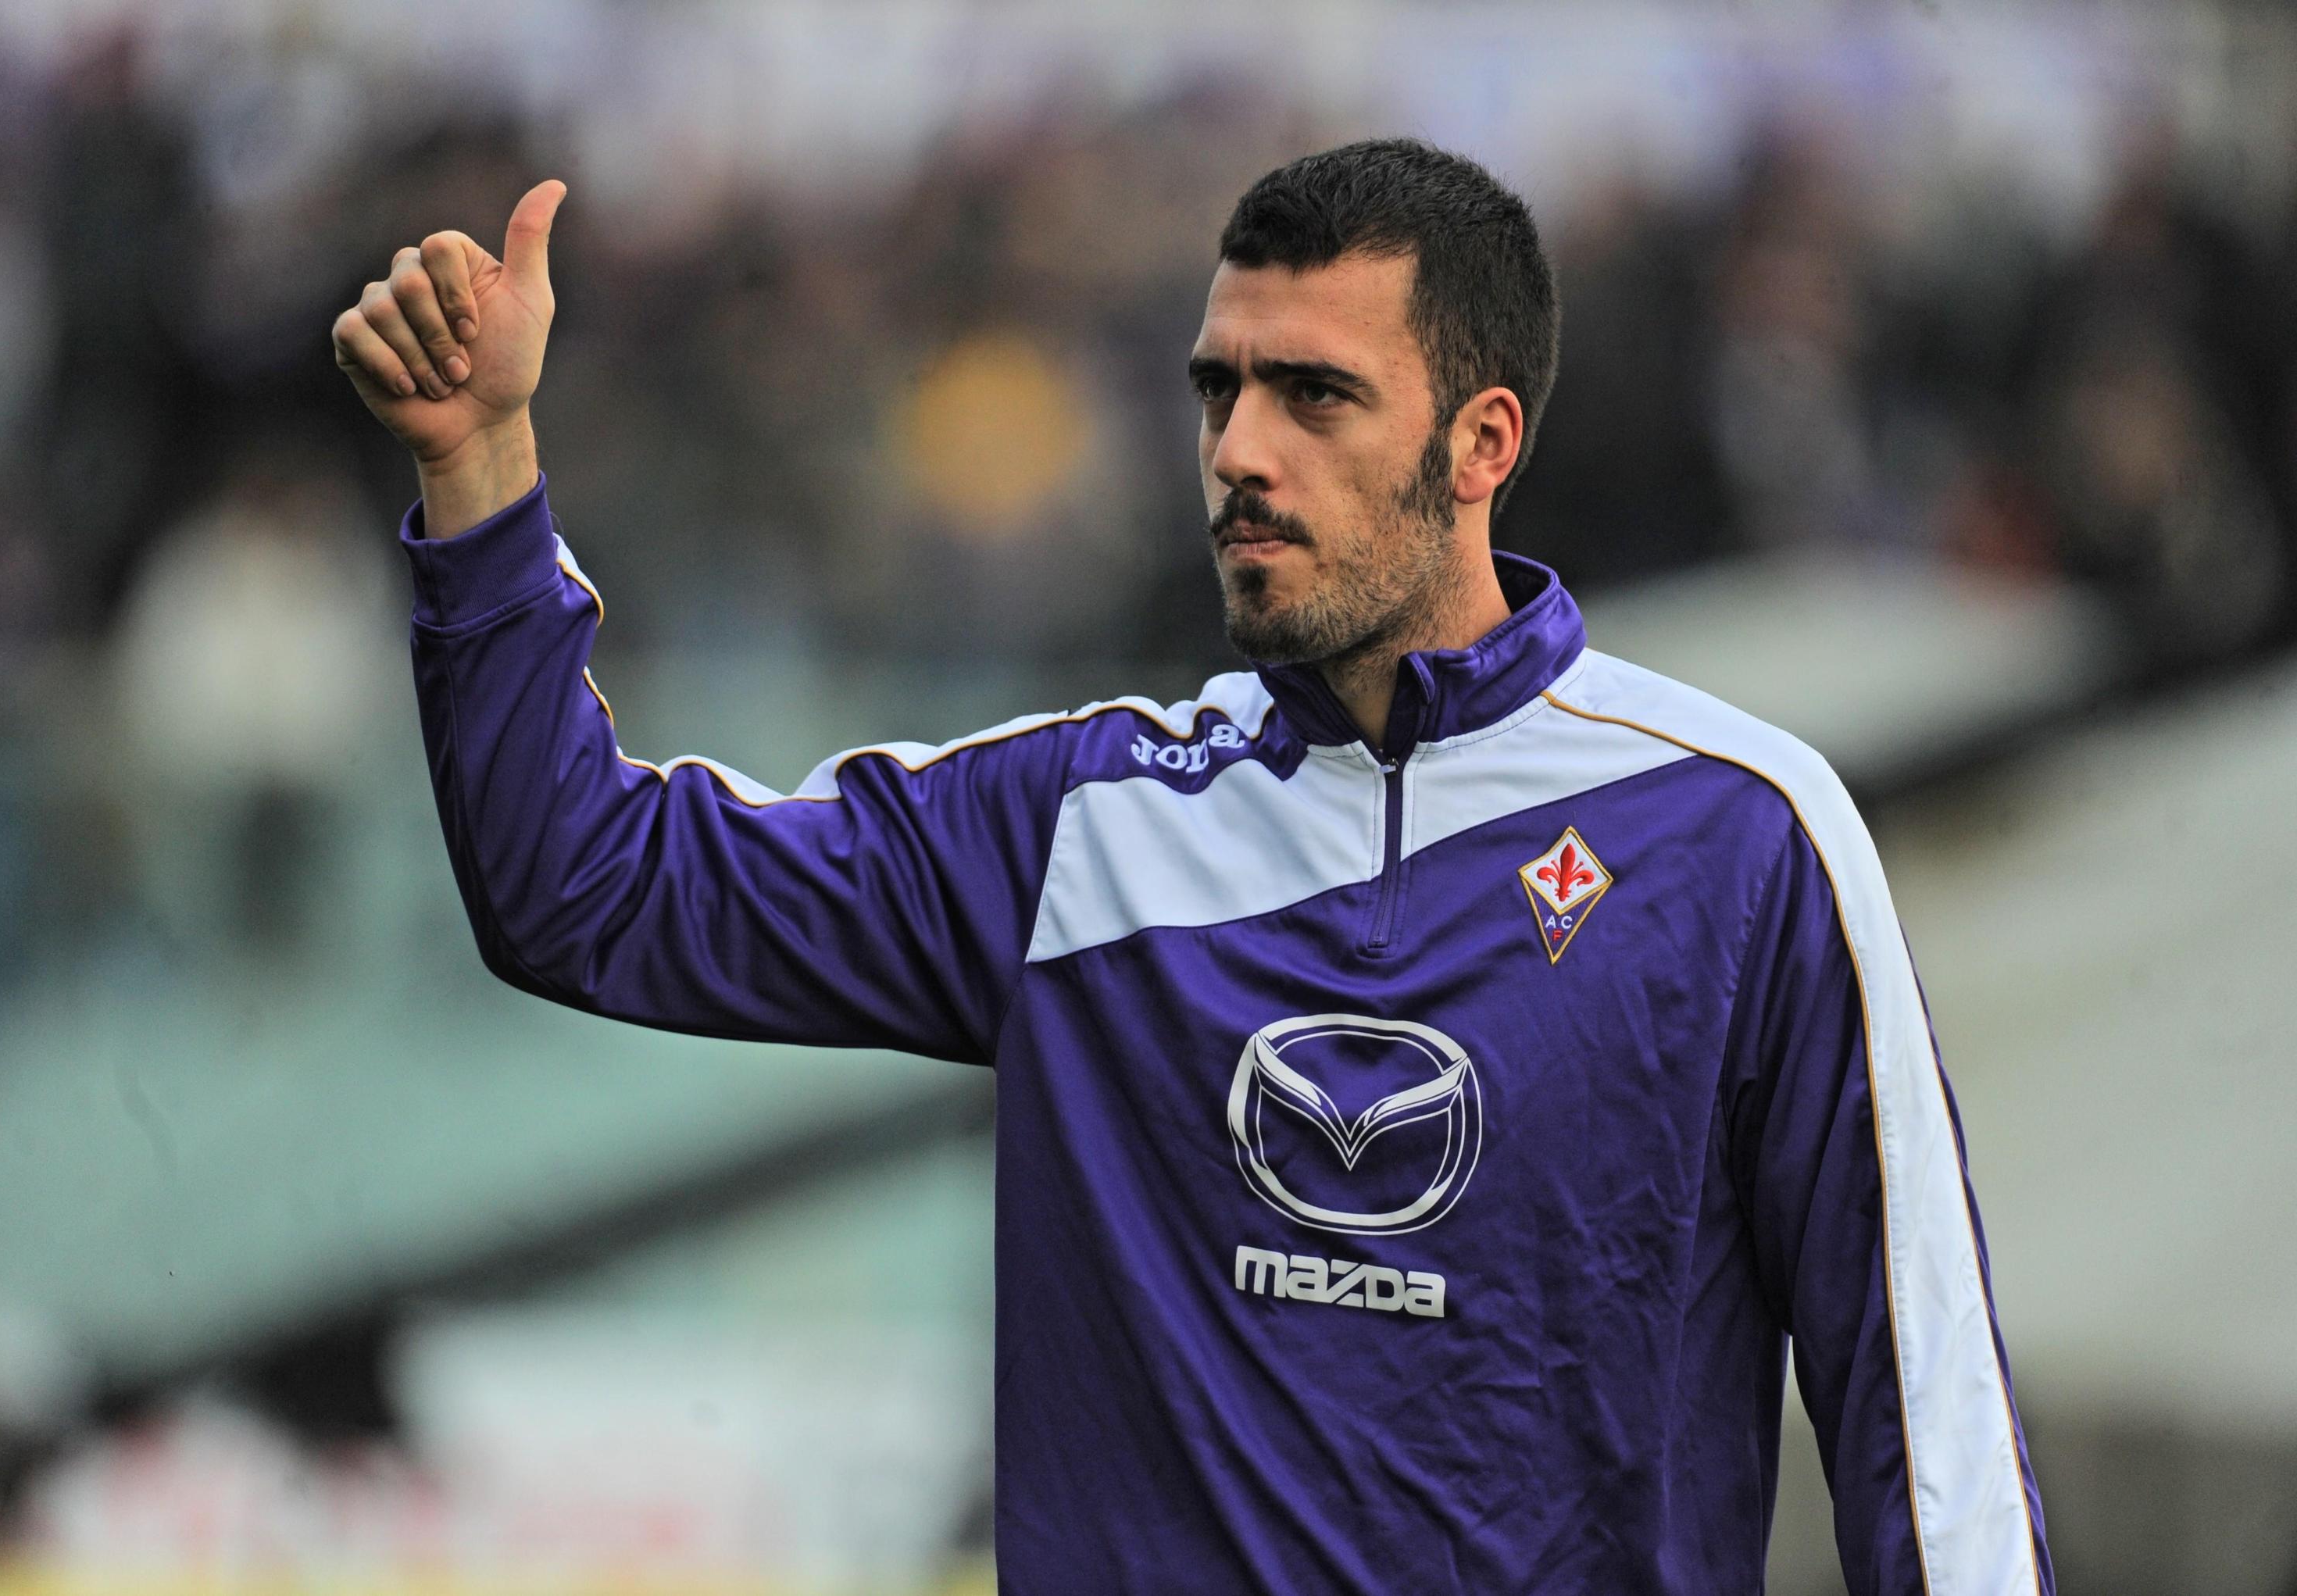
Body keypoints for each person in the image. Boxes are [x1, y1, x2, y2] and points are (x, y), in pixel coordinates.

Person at [333, 138, 2052, 1593]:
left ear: (1483, 443)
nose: (1239, 450)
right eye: (1219, 389)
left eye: (1315, 395)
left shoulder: (1742, 833)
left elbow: (1928, 1417)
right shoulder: (1081, 821)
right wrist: (480, 474)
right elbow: (587, 889)